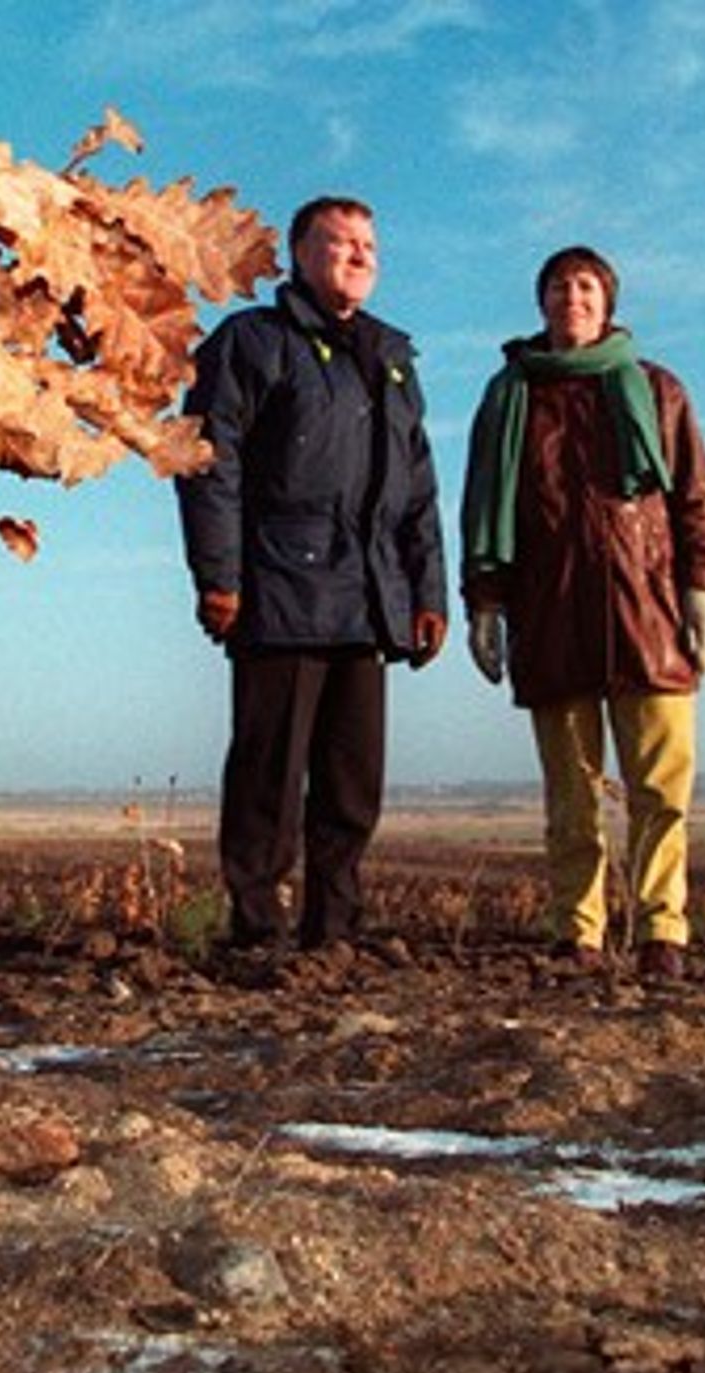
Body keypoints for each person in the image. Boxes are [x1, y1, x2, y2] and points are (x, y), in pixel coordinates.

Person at [177, 195, 448, 955]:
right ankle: (257, 931)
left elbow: (418, 491)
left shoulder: (391, 361)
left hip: (369, 599)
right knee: (269, 773)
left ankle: (333, 932)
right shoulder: (252, 342)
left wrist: (426, 593)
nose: (359, 254)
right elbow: (207, 462)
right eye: (340, 242)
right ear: (300, 254)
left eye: (369, 243)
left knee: (352, 782)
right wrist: (218, 575)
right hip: (279, 591)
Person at [461, 245, 705, 978]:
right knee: (571, 798)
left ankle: (660, 932)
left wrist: (703, 588)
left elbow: (694, 496)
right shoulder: (511, 394)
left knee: (662, 789)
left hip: (649, 613)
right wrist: (485, 601)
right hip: (550, 614)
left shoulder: (656, 388)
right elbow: (485, 501)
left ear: (607, 302)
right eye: (556, 286)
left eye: (584, 286)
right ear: (540, 301)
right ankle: (577, 932)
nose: (570, 297)